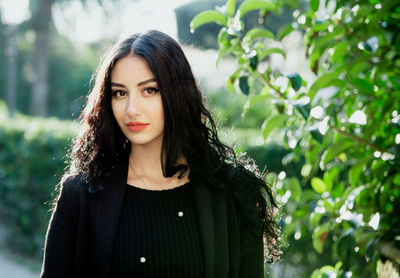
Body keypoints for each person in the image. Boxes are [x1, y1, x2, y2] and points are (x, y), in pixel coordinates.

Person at [40, 30, 280, 278]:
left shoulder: (234, 192)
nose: (132, 109)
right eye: (120, 93)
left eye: (150, 90)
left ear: (178, 93)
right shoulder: (80, 196)